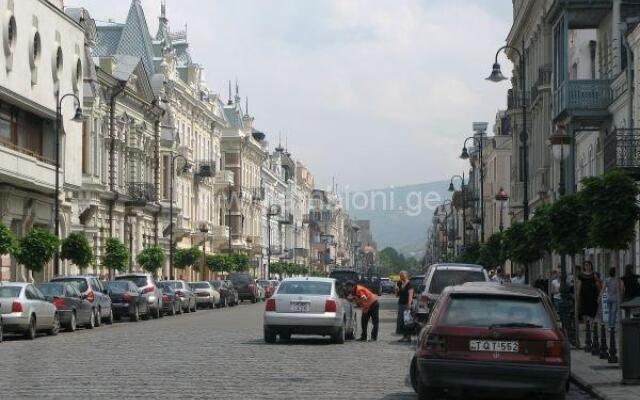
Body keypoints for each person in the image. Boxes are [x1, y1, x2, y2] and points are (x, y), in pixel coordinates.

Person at [395, 271, 414, 342]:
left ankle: (408, 337)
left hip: (407, 304)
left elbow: (410, 295)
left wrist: (409, 304)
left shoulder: (410, 284)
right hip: (401, 304)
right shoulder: (399, 283)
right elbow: (397, 295)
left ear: (406, 276)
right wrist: (396, 290)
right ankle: (404, 336)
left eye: (402, 276)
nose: (401, 277)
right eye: (400, 276)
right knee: (401, 320)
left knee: (407, 321)